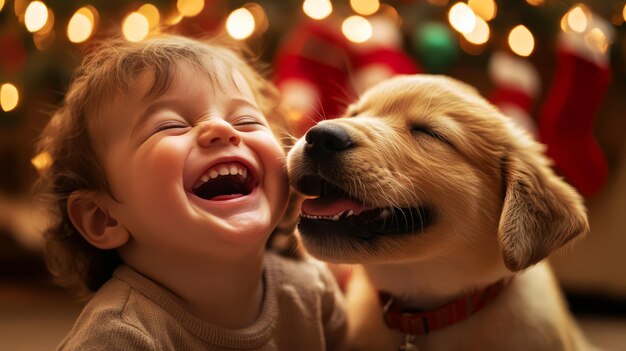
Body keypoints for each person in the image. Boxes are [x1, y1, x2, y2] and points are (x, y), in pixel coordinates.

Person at [33, 33, 346, 350]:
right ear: (102, 218)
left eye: (246, 119)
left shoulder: (309, 289)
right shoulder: (119, 338)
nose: (222, 129)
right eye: (170, 125)